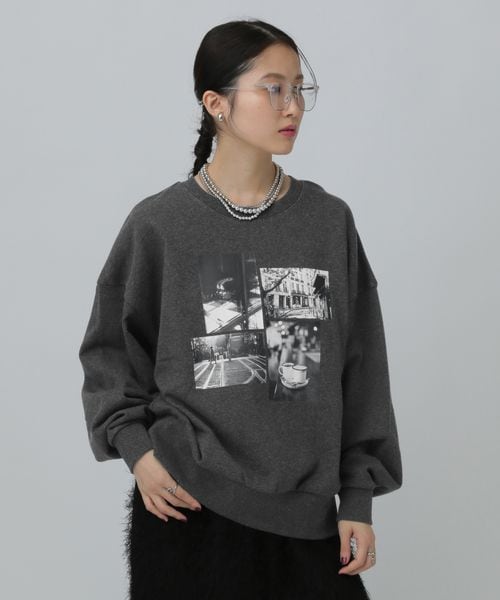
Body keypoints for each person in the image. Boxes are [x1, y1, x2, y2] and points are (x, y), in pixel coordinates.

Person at [78, 18, 403, 600]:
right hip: (189, 514)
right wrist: (139, 454)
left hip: (307, 523)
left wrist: (357, 496)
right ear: (216, 104)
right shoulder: (160, 225)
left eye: (299, 88)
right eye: (272, 88)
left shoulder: (327, 222)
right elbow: (110, 353)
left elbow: (361, 367)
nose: (292, 105)